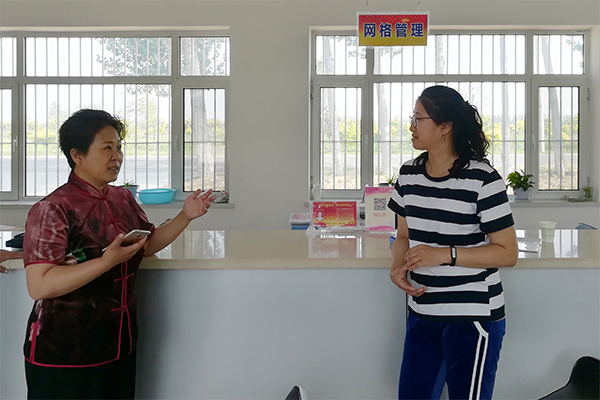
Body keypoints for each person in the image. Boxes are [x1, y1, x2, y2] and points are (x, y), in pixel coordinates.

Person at [22, 109, 214, 400]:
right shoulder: (53, 208)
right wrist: (106, 262)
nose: (117, 157)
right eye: (107, 148)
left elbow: (146, 245)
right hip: (65, 351)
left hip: (118, 343)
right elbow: (40, 285)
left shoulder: (122, 197)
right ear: (77, 155)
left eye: (119, 147)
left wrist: (185, 216)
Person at [388, 86, 518, 400]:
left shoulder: (483, 179)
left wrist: (444, 255)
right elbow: (403, 235)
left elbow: (507, 252)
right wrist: (397, 267)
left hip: (471, 314)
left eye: (418, 119)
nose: (411, 127)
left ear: (445, 126)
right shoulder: (408, 175)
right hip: (422, 310)